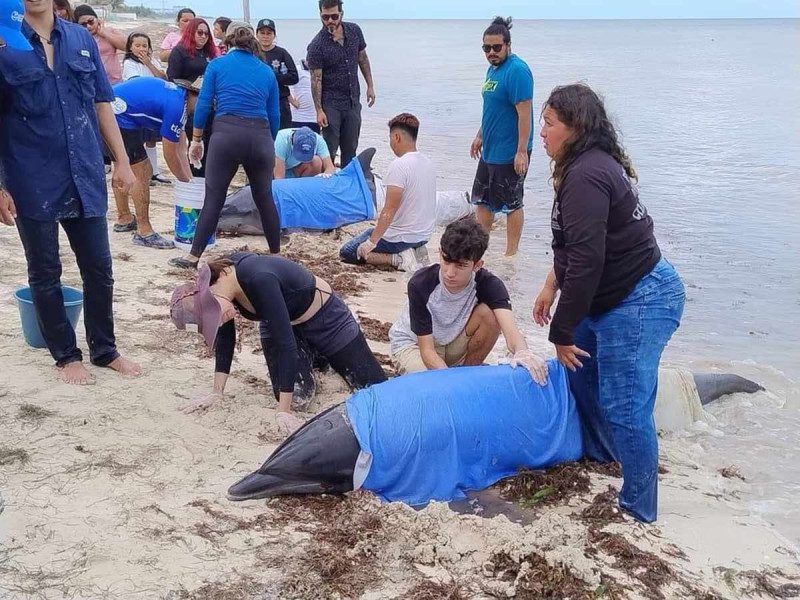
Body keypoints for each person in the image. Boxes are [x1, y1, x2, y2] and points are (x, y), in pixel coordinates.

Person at [533, 83, 685, 523]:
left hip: (640, 298)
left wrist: (560, 331)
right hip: (611, 296)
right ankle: (602, 456)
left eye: (548, 124)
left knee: (626, 405)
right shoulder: (577, 166)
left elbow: (588, 261)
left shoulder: (586, 174)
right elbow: (575, 246)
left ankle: (639, 508)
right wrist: (549, 286)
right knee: (579, 370)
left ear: (575, 128)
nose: (540, 133)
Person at [0, 0, 141, 385]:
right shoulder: (4, 41)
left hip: (84, 170)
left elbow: (101, 103)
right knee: (44, 271)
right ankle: (65, 355)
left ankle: (105, 349)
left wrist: (123, 161)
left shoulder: (80, 37)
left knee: (100, 268)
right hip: (30, 176)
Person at [170, 253, 388, 435]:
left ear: (211, 287)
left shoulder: (257, 277)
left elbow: (286, 344)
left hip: (326, 320)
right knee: (298, 398)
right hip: (279, 326)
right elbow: (226, 339)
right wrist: (217, 392)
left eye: (214, 313)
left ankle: (323, 357)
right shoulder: (222, 294)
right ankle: (314, 358)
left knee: (374, 388)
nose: (218, 318)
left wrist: (282, 412)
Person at [169, 24, 281, 270]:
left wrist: (196, 139)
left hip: (226, 135)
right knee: (264, 197)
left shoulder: (217, 65)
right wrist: (268, 145)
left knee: (214, 198)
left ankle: (193, 256)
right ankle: (276, 254)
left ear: (228, 44)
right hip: (260, 136)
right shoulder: (266, 72)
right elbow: (274, 116)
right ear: (253, 46)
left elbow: (204, 104)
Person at [389, 218, 540, 376]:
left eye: (460, 265)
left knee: (490, 315)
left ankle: (468, 372)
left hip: (452, 343)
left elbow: (511, 331)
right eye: (446, 261)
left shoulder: (490, 284)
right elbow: (427, 351)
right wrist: (450, 382)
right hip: (414, 345)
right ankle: (455, 378)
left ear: (477, 265)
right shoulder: (420, 284)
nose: (450, 273)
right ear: (440, 253)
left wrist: (523, 353)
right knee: (434, 389)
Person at [469, 17, 533, 257]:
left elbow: (524, 113)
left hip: (510, 151)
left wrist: (521, 150)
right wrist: (480, 135)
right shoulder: (492, 69)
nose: (491, 52)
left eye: (497, 47)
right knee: (483, 201)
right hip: (490, 149)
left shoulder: (517, 71)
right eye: (487, 48)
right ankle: (480, 249)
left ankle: (511, 255)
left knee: (512, 203)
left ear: (508, 45)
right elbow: (492, 108)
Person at [108, 77, 198, 247]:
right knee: (142, 170)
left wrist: (189, 180)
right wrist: (184, 184)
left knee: (122, 165)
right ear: (194, 95)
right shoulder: (177, 106)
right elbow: (170, 153)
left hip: (113, 110)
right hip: (117, 115)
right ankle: (144, 231)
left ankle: (124, 218)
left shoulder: (179, 98)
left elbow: (181, 147)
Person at [339, 113, 435, 272]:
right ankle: (413, 250)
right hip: (423, 236)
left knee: (348, 252)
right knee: (369, 233)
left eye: (390, 138)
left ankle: (397, 259)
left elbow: (389, 210)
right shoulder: (428, 163)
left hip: (402, 238)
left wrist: (372, 242)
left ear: (397, 137)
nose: (390, 143)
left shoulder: (399, 165)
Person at [307, 0, 375, 168]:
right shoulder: (316, 46)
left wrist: (370, 86)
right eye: (325, 17)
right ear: (320, 16)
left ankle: (346, 183)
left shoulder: (354, 31)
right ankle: (325, 185)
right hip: (331, 105)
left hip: (352, 101)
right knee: (328, 150)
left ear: (341, 14)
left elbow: (363, 59)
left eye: (334, 16)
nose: (330, 20)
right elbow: (316, 80)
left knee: (351, 148)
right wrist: (319, 110)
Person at [167, 17, 219, 178]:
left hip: (209, 103)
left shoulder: (209, 53)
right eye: (200, 32)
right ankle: (194, 178)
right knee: (195, 141)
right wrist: (190, 86)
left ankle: (205, 178)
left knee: (210, 143)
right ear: (192, 32)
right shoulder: (180, 51)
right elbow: (172, 77)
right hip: (189, 102)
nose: (203, 36)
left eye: (206, 33)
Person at [120, 32, 170, 187]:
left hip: (153, 107)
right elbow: (137, 83)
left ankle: (154, 172)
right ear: (130, 47)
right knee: (138, 140)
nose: (141, 48)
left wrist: (149, 63)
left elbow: (163, 78)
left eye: (144, 45)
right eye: (137, 45)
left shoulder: (152, 61)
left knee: (152, 140)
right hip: (137, 108)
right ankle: (142, 173)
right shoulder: (129, 64)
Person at [255, 18, 298, 130]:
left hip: (280, 102)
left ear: (274, 35)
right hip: (258, 101)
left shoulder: (282, 53)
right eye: (262, 33)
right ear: (257, 35)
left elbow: (294, 77)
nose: (265, 36)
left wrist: (272, 77)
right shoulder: (252, 53)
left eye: (269, 33)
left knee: (282, 136)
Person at [73, 5, 126, 85]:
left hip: (114, 82)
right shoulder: (77, 39)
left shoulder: (110, 31)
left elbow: (127, 46)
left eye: (91, 21)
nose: (88, 26)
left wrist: (104, 33)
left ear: (97, 19)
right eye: (83, 24)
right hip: (93, 85)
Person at [289, 59, 319, 133]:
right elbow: (283, 85)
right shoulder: (297, 69)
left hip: (316, 119)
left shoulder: (319, 71)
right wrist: (292, 101)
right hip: (299, 118)